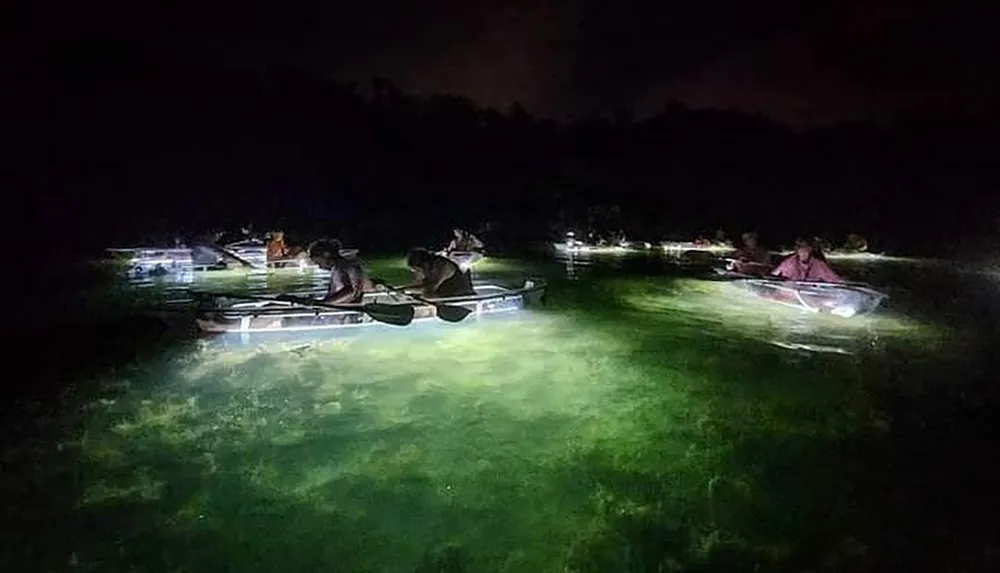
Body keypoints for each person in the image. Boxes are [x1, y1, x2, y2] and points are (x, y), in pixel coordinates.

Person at [309, 239, 374, 304]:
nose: (320, 267)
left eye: (319, 263)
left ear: (326, 254)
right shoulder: (336, 268)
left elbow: (352, 291)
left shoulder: (346, 266)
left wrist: (325, 303)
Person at [404, 247, 475, 298]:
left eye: (417, 270)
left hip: (459, 298)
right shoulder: (428, 268)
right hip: (444, 297)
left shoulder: (441, 266)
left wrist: (406, 290)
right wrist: (405, 290)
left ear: (425, 263)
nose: (416, 272)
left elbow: (429, 291)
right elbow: (420, 286)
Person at [771, 239, 843, 283]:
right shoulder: (789, 262)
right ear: (797, 251)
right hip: (791, 293)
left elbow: (834, 279)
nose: (803, 252)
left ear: (810, 250)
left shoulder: (818, 264)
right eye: (801, 249)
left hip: (811, 294)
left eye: (806, 249)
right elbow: (774, 274)